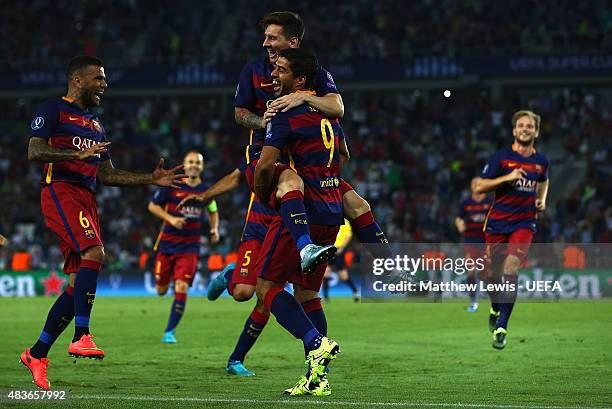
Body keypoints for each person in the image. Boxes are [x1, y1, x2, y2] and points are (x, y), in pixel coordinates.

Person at [20, 55, 185, 390]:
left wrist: (149, 180)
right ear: (78, 80)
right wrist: (74, 155)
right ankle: (82, 335)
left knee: (76, 282)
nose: (104, 85)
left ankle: (37, 353)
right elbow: (34, 151)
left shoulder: (95, 124)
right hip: (60, 190)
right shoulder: (52, 110)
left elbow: (108, 175)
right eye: (99, 78)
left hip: (86, 196)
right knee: (95, 254)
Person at [254, 48, 342, 397]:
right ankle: (317, 378)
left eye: (281, 70)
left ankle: (314, 340)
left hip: (301, 211)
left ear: (300, 80)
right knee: (308, 293)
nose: (274, 74)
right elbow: (345, 156)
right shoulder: (329, 114)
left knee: (266, 287)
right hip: (332, 211)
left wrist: (264, 192)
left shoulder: (285, 115)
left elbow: (264, 165)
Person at [476, 110, 549, 349]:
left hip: (524, 223)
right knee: (491, 274)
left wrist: (542, 199)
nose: (526, 129)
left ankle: (502, 327)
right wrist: (506, 178)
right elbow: (480, 186)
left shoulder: (541, 162)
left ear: (536, 132)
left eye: (530, 126)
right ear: (514, 131)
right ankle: (496, 307)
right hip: (497, 223)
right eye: (521, 125)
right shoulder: (501, 158)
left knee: (511, 267)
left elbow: (544, 181)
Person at [148, 151, 219, 343]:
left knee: (181, 287)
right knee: (161, 290)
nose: (194, 165)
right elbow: (153, 206)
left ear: (201, 167)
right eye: (191, 162)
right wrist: (171, 219)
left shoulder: (206, 191)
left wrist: (214, 229)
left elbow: (213, 210)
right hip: (167, 246)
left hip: (189, 249)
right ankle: (169, 283)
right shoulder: (173, 186)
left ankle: (169, 332)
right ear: (185, 165)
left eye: (198, 162)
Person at [455, 177, 491, 312]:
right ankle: (473, 302)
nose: (476, 185)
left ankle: (494, 300)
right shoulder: (465, 203)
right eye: (474, 183)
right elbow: (458, 218)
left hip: (486, 242)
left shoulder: (489, 202)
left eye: (479, 183)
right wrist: (459, 225)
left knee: (485, 274)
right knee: (471, 273)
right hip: (470, 241)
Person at [323, 219, 359, 302]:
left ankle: (355, 291)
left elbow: (348, 235)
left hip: (339, 251)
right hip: (329, 250)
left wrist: (342, 247)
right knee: (326, 272)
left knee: (343, 275)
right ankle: (326, 297)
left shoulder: (344, 221)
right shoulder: (327, 220)